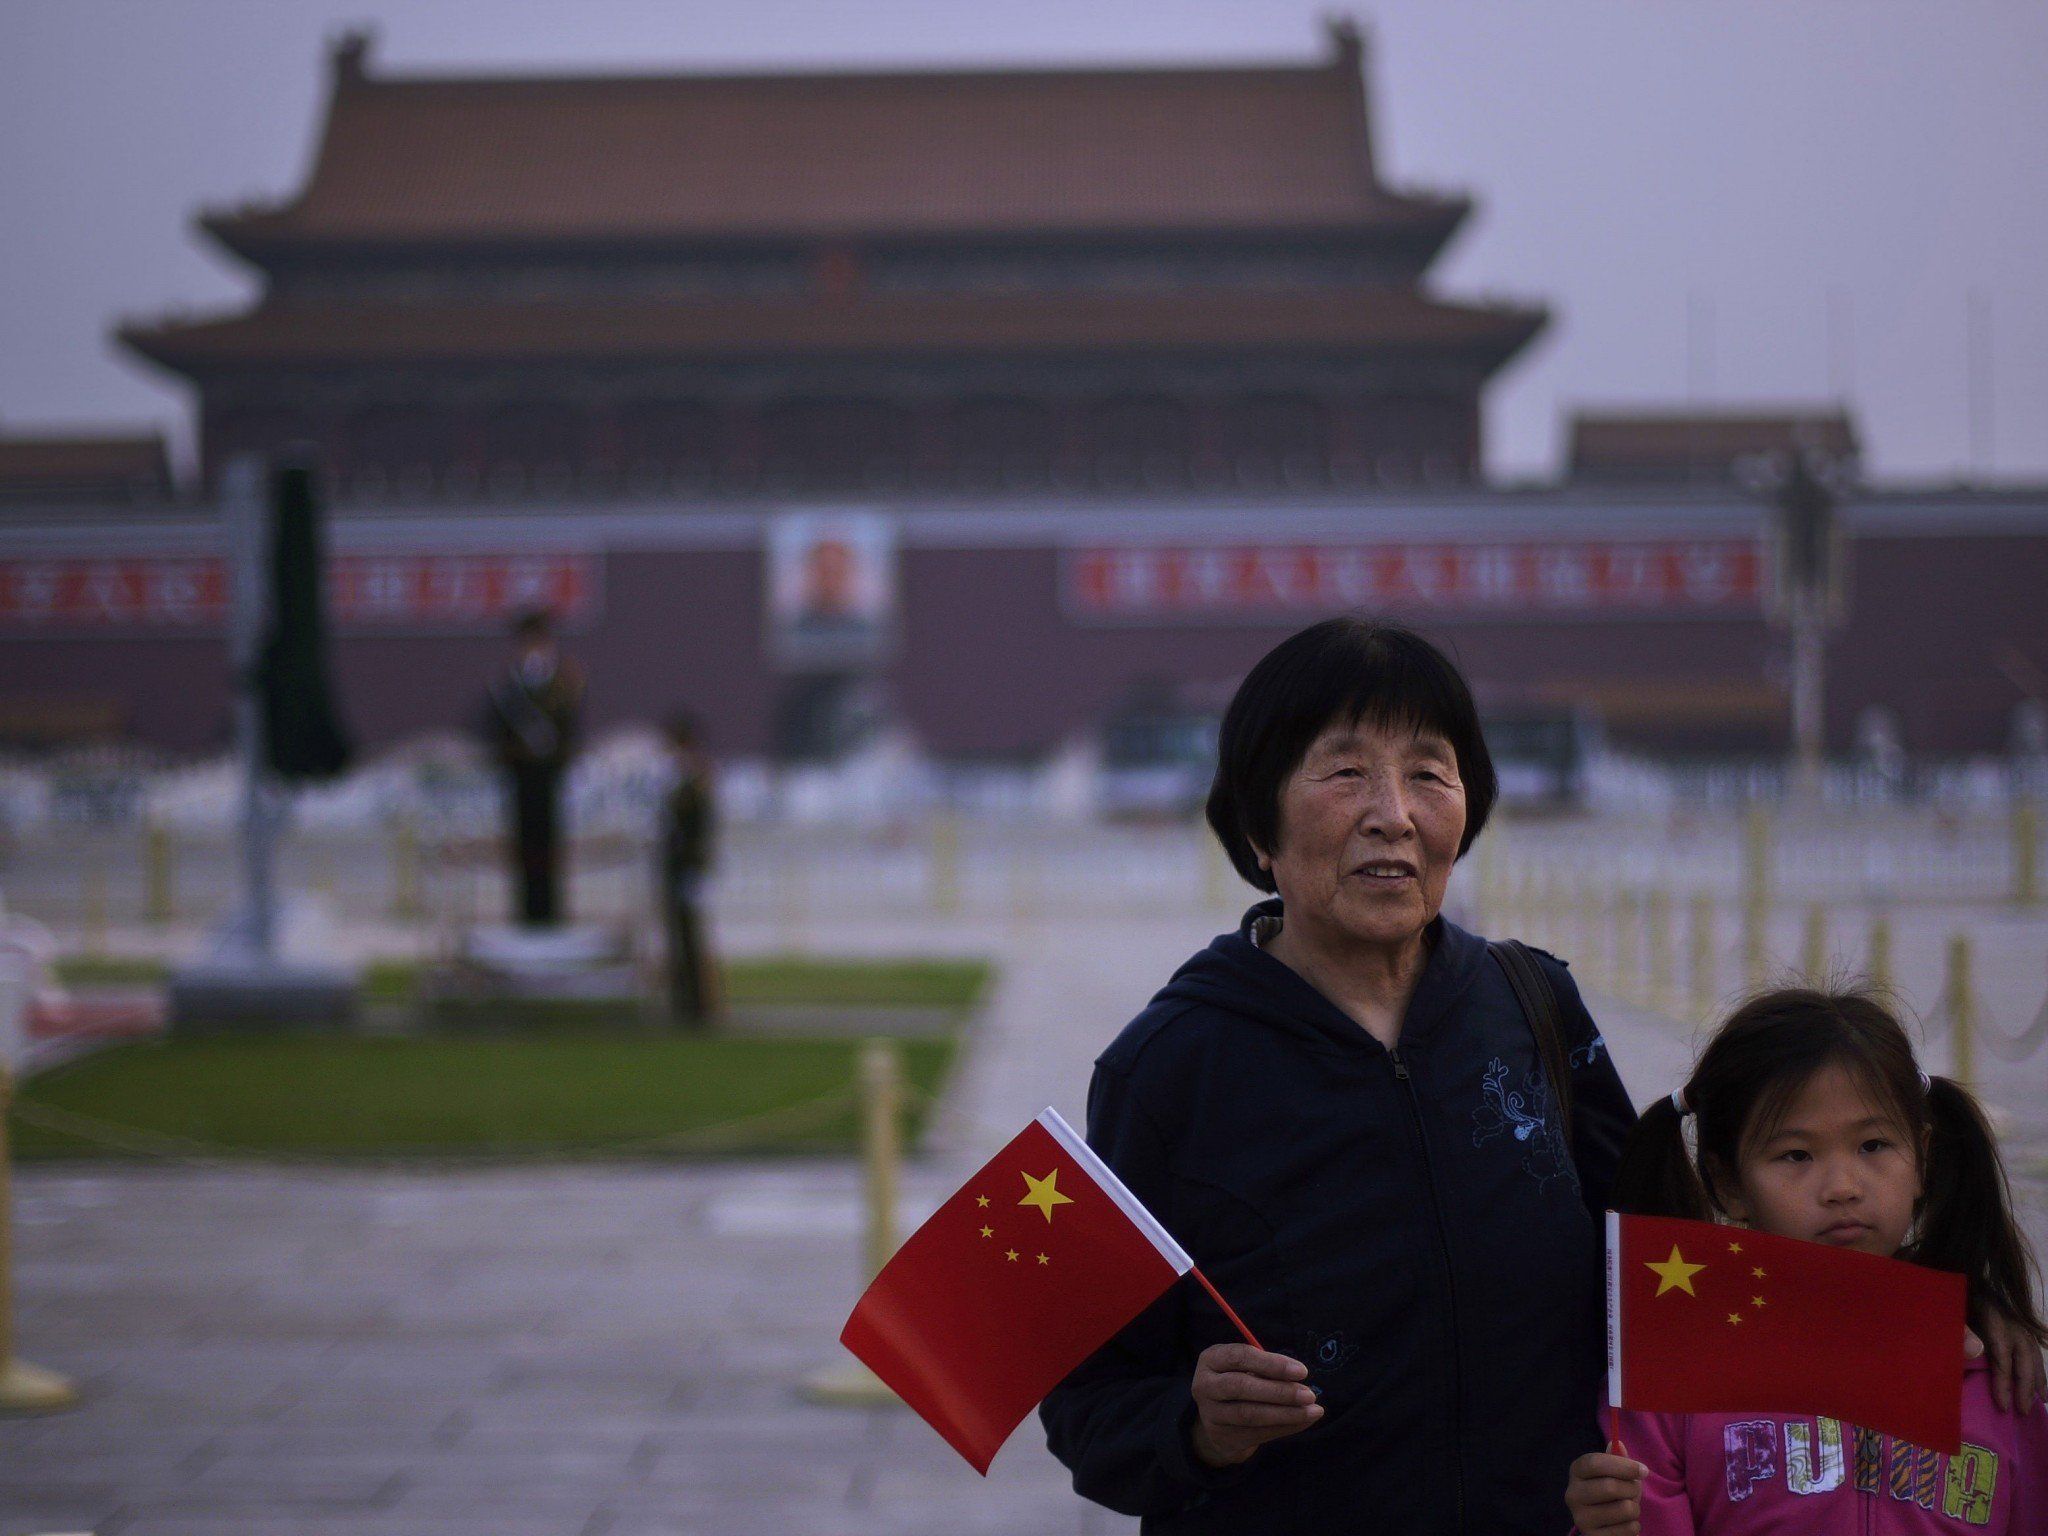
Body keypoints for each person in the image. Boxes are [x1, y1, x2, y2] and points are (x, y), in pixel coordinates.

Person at [1038, 618, 1641, 1532]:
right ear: (1256, 823)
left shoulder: (1535, 1008)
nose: (1392, 814)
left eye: (1430, 774)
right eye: (1346, 771)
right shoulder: (1167, 1069)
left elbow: (1665, 1279)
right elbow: (1087, 1400)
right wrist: (1195, 1427)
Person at [1565, 988, 2048, 1534]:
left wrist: (1976, 1303)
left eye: (1873, 1145)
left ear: (1922, 1158)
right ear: (1729, 1184)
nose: (1842, 1187)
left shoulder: (1997, 1371)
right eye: (1795, 1155)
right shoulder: (1671, 1375)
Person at [483, 609, 581, 926]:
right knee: (523, 848)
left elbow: (569, 726)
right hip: (521, 774)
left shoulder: (563, 682)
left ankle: (551, 915)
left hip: (549, 774)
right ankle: (525, 915)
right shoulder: (509, 685)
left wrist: (559, 756)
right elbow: (498, 729)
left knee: (550, 847)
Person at [659, 711, 718, 1027]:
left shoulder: (695, 775)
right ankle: (685, 1000)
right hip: (676, 864)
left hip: (689, 865)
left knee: (692, 934)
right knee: (679, 934)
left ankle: (700, 1004)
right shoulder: (678, 775)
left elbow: (701, 825)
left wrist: (698, 865)